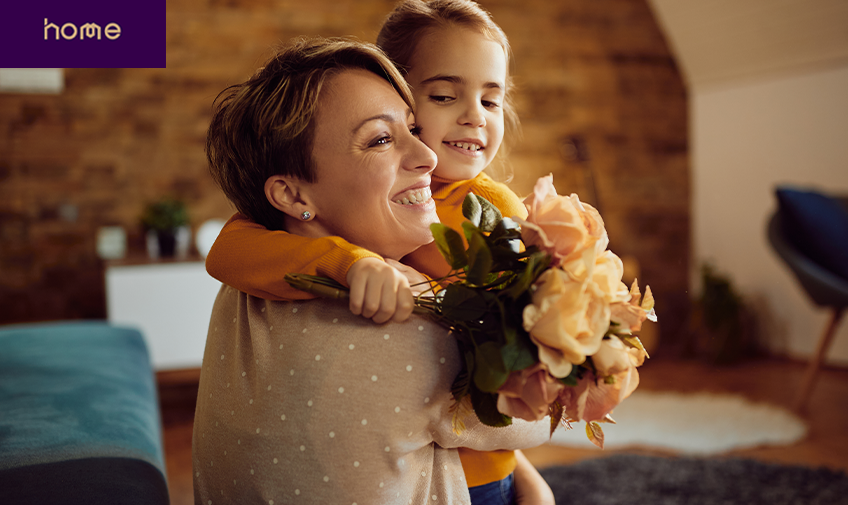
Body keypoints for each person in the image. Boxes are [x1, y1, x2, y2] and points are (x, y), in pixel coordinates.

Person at [203, 2, 550, 500]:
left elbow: (516, 371)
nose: (474, 116)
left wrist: (524, 473)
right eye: (446, 95)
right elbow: (228, 251)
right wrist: (351, 262)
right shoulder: (357, 221)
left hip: (482, 457)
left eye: (492, 102)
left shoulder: (492, 208)